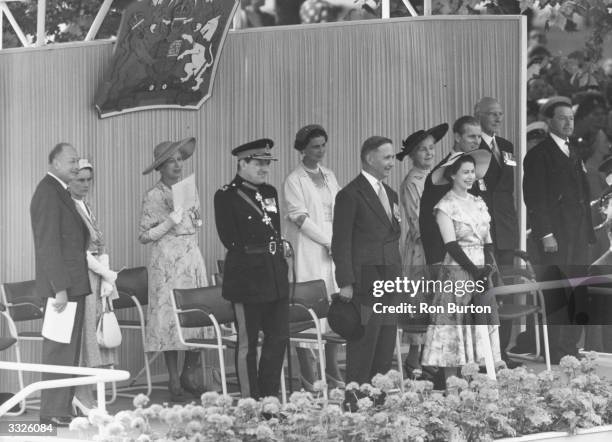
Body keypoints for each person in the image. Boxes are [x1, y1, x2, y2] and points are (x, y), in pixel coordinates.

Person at [214, 139, 289, 399]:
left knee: (278, 338)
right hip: (247, 278)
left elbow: (274, 231)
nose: (264, 168)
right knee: (247, 345)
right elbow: (230, 239)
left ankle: (269, 398)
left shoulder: (269, 192)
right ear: (242, 163)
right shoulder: (226, 195)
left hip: (274, 275)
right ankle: (250, 402)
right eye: (258, 163)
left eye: (267, 163)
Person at [331, 136, 401, 410]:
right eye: (387, 157)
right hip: (364, 284)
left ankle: (378, 404)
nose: (391, 163)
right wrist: (345, 282)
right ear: (370, 158)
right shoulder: (350, 194)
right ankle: (355, 405)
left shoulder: (391, 194)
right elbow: (341, 242)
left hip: (390, 282)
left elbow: (392, 237)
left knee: (384, 347)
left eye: (393, 157)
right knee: (364, 347)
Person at [523, 99, 595, 364]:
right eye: (562, 118)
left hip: (577, 236)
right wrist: (545, 234)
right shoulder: (539, 154)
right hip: (556, 237)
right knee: (556, 292)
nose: (568, 123)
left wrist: (588, 232)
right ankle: (555, 350)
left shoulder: (572, 151)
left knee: (575, 290)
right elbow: (535, 198)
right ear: (550, 122)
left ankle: (569, 347)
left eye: (571, 118)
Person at [421, 151, 501, 386]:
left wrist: (486, 268)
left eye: (472, 172)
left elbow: (487, 239)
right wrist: (473, 271)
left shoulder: (478, 202)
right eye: (465, 172)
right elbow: (451, 245)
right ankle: (453, 387)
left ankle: (477, 385)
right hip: (457, 271)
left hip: (481, 272)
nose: (470, 176)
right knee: (455, 329)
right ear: (452, 175)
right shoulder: (445, 205)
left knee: (481, 326)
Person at [139, 137, 209, 401]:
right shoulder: (153, 195)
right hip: (167, 259)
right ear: (161, 167)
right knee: (169, 317)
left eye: (180, 159)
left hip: (191, 256)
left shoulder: (188, 189)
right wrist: (170, 220)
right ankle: (172, 376)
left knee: (196, 312)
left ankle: (189, 373)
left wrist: (195, 217)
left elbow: (197, 221)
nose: (177, 165)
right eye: (171, 161)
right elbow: (145, 235)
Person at [31, 143, 90, 426]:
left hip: (72, 285)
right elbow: (48, 246)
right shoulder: (47, 192)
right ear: (54, 162)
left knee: (68, 350)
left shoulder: (59, 192)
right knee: (59, 349)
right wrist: (60, 288)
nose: (76, 166)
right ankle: (52, 411)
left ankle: (62, 409)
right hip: (63, 288)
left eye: (77, 160)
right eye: (70, 161)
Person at [283, 124, 344, 390]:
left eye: (323, 145)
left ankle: (332, 370)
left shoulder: (329, 175)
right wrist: (328, 241)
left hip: (333, 247)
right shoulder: (294, 179)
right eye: (315, 146)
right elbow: (300, 217)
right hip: (310, 247)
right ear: (303, 149)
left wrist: (340, 241)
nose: (320, 151)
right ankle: (308, 374)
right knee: (309, 307)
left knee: (333, 306)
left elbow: (341, 207)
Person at [396, 123, 448, 378]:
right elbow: (418, 221)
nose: (428, 154)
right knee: (419, 300)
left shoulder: (438, 177)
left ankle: (431, 355)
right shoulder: (412, 182)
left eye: (431, 148)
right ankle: (413, 359)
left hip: (440, 245)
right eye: (422, 150)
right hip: (422, 247)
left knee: (436, 301)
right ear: (413, 155)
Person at [68, 159, 120, 415]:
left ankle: (89, 398)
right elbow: (81, 251)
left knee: (97, 338)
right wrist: (106, 272)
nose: (86, 184)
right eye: (80, 179)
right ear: (69, 180)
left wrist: (107, 276)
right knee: (86, 338)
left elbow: (99, 242)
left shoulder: (86, 206)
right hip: (83, 277)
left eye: (89, 179)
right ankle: (82, 397)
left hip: (97, 277)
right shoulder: (69, 207)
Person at [420, 116, 484, 267]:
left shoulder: (479, 168)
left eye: (479, 136)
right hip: (450, 259)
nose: (477, 141)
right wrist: (435, 261)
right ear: (457, 137)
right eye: (471, 136)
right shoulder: (440, 174)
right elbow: (428, 220)